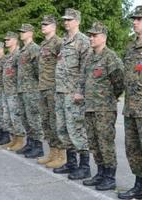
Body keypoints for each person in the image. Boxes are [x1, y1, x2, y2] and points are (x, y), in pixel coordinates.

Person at [78, 22, 124, 191]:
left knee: (105, 143)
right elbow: (84, 80)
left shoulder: (110, 57)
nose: (91, 38)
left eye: (94, 35)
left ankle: (110, 177)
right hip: (90, 107)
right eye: (90, 35)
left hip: (104, 109)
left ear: (103, 38)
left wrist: (110, 97)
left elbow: (119, 81)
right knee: (94, 142)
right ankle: (100, 173)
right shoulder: (90, 57)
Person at [53, 8, 91, 180]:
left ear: (77, 21)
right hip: (61, 91)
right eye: (65, 20)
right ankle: (71, 163)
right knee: (63, 129)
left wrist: (80, 91)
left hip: (73, 94)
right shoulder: (64, 41)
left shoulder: (83, 41)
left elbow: (86, 69)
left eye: (69, 19)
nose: (66, 22)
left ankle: (84, 166)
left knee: (76, 129)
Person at [118, 5, 142, 199]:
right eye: (134, 18)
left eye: (139, 19)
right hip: (130, 108)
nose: (135, 21)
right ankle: (139, 185)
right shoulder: (131, 47)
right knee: (133, 149)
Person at [37, 15, 66, 168]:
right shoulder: (43, 44)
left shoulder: (59, 43)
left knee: (55, 123)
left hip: (53, 88)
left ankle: (61, 155)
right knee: (46, 122)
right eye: (42, 24)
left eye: (46, 24)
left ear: (54, 26)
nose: (43, 26)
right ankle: (52, 152)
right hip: (43, 87)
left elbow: (62, 66)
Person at [16, 24, 44, 158]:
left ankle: (38, 146)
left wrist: (35, 86)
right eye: (20, 32)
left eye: (24, 32)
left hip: (32, 90)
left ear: (31, 33)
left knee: (34, 119)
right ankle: (30, 143)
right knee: (25, 118)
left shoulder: (34, 49)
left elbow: (39, 70)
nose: (21, 34)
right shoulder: (23, 50)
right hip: (22, 89)